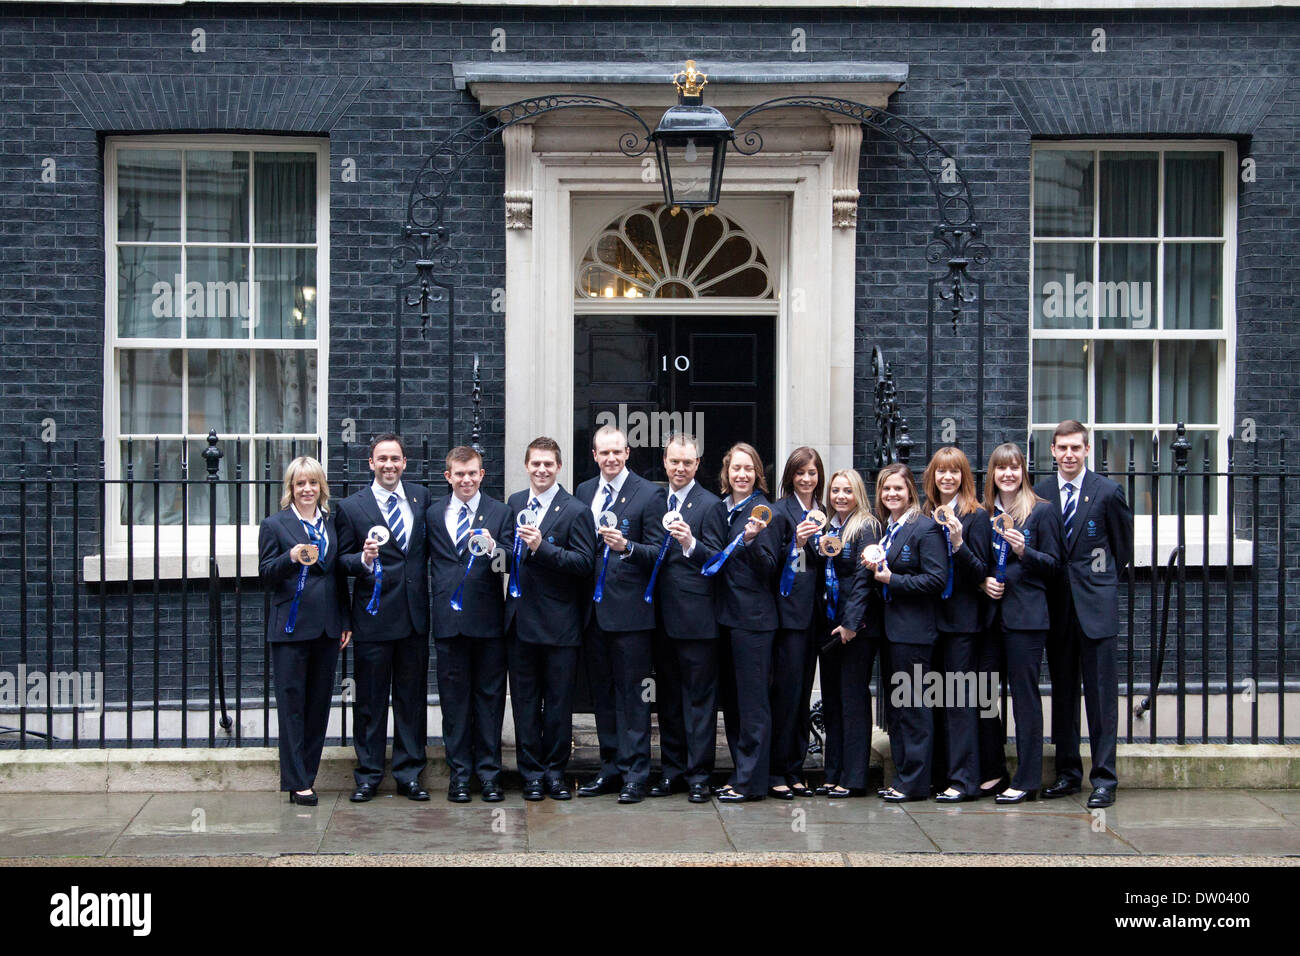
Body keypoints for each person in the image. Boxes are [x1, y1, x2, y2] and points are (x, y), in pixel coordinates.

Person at [1036, 420, 1133, 809]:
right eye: (1062, 448)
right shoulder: (1041, 493)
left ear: (1087, 450)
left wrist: (1097, 584)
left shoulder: (1108, 492)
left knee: (1100, 697)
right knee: (1062, 695)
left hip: (1096, 610)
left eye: (1076, 447)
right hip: (1057, 611)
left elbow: (1121, 552)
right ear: (1053, 452)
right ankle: (1067, 773)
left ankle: (1104, 779)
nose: (1069, 454)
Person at [336, 434, 432, 803]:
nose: (389, 464)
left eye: (395, 458)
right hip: (373, 618)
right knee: (371, 701)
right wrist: (364, 559)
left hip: (412, 618)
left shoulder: (421, 498)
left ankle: (409, 774)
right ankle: (369, 774)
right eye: (382, 459)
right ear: (371, 464)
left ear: (404, 463)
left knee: (411, 700)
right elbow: (339, 561)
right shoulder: (351, 507)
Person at [574, 425, 667, 804]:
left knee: (633, 697)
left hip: (631, 615)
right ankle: (610, 768)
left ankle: (635, 774)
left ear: (627, 452)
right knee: (603, 695)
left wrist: (628, 547)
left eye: (617, 452)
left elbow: (660, 554)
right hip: (592, 614)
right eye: (603, 453)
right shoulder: (582, 492)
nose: (610, 459)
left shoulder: (650, 493)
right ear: (594, 455)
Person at [504, 437, 596, 801]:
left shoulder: (576, 510)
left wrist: (543, 548)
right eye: (535, 464)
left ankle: (555, 772)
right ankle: (530, 773)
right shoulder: (513, 504)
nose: (541, 470)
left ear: (559, 467)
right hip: (519, 623)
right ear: (527, 466)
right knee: (525, 702)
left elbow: (584, 563)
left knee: (558, 705)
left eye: (548, 464)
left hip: (560, 625)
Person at [259, 456, 350, 806]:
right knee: (292, 707)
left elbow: (337, 574)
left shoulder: (329, 523)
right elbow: (265, 574)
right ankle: (296, 782)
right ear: (291, 489)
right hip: (290, 629)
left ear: (321, 487)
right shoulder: (275, 525)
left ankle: (307, 775)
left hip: (327, 627)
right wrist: (290, 557)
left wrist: (345, 621)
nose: (307, 489)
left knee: (317, 707)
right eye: (300, 484)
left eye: (313, 483)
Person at [427, 446, 513, 803]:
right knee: (454, 704)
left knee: (489, 702)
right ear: (448, 476)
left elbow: (512, 561)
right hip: (449, 624)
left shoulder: (501, 511)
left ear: (482, 474)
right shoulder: (432, 514)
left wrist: (495, 550)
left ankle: (490, 777)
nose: (466, 480)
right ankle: (460, 776)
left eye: (472, 473)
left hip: (489, 624)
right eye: (459, 474)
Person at [700, 442, 783, 803]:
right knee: (732, 705)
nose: (742, 474)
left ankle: (750, 782)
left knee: (752, 706)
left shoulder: (766, 512)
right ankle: (740, 774)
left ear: (757, 474)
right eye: (736, 468)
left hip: (754, 622)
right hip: (725, 618)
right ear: (726, 472)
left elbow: (771, 568)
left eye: (748, 468)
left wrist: (750, 541)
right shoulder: (721, 509)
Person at [981, 442, 1063, 804]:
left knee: (1024, 698)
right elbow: (975, 560)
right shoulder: (984, 512)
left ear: (1023, 472)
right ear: (992, 474)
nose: (1008, 474)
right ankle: (994, 770)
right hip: (988, 617)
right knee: (983, 695)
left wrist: (1022, 551)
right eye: (1001, 468)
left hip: (1026, 619)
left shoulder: (1041, 512)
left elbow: (1055, 567)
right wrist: (982, 580)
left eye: (1014, 467)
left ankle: (1028, 779)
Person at [862, 463, 947, 803]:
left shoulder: (924, 528)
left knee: (913, 708)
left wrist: (890, 580)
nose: (891, 494)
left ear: (910, 490)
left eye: (898, 488)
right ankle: (902, 777)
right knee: (898, 709)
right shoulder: (889, 529)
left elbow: (936, 580)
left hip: (914, 634)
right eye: (886, 489)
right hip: (892, 631)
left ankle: (915, 782)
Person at [651, 433, 725, 804]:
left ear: (697, 465)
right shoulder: (652, 500)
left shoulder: (710, 505)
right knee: (667, 700)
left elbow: (716, 558)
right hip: (658, 618)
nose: (680, 468)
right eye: (674, 461)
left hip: (697, 619)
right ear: (665, 462)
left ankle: (699, 775)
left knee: (699, 700)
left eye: (687, 462)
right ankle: (672, 770)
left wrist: (690, 544)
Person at [922, 447, 993, 802]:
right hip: (932, 619)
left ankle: (965, 781)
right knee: (934, 698)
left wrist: (958, 542)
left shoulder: (976, 516)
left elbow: (982, 570)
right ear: (932, 476)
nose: (947, 477)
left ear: (964, 476)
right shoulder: (926, 514)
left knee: (960, 702)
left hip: (963, 622)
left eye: (954, 472)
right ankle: (942, 775)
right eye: (940, 471)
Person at [815, 468, 881, 798]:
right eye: (836, 490)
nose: (840, 496)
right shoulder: (829, 527)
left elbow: (863, 580)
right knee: (832, 703)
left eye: (847, 491)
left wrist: (852, 623)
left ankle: (853, 777)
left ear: (858, 494)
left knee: (852, 701)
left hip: (855, 629)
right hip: (830, 627)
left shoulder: (866, 526)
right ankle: (832, 771)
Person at [770, 446, 827, 799]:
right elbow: (769, 562)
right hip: (789, 617)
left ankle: (796, 768)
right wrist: (797, 542)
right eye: (800, 473)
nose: (807, 479)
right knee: (786, 697)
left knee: (804, 695)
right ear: (791, 476)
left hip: (818, 618)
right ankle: (778, 770)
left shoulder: (827, 513)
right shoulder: (780, 512)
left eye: (813, 473)